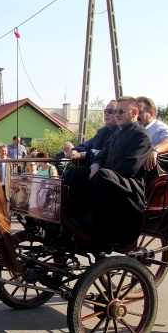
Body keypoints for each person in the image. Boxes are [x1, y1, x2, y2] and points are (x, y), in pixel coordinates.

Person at [63, 96, 152, 246]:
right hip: (108, 179)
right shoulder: (117, 134)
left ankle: (91, 225)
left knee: (103, 176)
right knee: (75, 173)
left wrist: (101, 173)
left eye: (121, 111)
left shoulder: (141, 135)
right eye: (115, 111)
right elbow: (102, 154)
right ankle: (71, 216)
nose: (116, 114)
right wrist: (96, 166)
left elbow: (129, 168)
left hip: (129, 186)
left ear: (134, 112)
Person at [68, 100, 119, 166]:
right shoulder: (101, 133)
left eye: (110, 111)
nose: (106, 114)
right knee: (73, 172)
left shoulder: (121, 133)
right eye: (105, 111)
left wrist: (83, 155)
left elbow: (107, 153)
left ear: (119, 113)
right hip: (95, 167)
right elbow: (87, 144)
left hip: (108, 170)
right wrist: (76, 150)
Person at [136, 96, 168, 171]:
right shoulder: (136, 129)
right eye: (134, 113)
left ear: (151, 114)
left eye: (139, 112)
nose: (136, 116)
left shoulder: (160, 128)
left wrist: (154, 150)